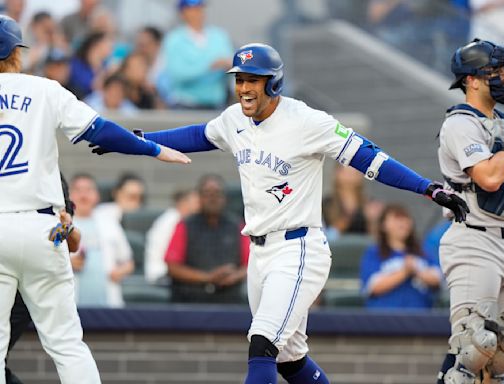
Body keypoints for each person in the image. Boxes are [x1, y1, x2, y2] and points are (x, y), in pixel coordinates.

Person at [91, 42, 468, 384]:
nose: (243, 88)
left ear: (274, 83)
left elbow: (370, 157)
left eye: (253, 80)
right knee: (289, 359)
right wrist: (133, 141)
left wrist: (428, 187)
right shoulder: (234, 119)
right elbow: (195, 136)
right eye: (240, 79)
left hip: (298, 247)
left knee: (262, 345)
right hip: (259, 252)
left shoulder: (308, 121)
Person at [0, 15, 189, 384]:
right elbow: (99, 130)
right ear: (15, 52)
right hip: (44, 227)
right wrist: (152, 148)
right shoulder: (43, 89)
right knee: (66, 343)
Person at [434, 39, 504, 384]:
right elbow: (489, 177)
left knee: (501, 355)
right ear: (472, 80)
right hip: (476, 242)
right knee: (472, 347)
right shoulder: (460, 123)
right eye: (493, 71)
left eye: (503, 70)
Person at [5, 174, 80, 384]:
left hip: (24, 285)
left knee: (66, 345)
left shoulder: (49, 175)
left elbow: (71, 240)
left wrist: (65, 229)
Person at [165, 174, 249, 303]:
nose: (212, 198)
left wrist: (234, 276)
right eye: (207, 193)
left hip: (230, 297)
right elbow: (172, 267)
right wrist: (207, 277)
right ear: (199, 197)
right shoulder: (184, 225)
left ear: (225, 198)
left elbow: (250, 264)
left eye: (217, 193)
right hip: (189, 298)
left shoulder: (238, 226)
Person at [69, 174, 134, 308]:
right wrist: (67, 264)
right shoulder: (61, 224)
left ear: (97, 195)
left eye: (88, 190)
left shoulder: (110, 223)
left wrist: (119, 272)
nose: (83, 195)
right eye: (78, 190)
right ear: (69, 195)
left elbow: (128, 263)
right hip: (71, 305)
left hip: (109, 305)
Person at [360, 204, 442, 310]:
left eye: (405, 219)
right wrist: (404, 272)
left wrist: (416, 271)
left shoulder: (423, 252)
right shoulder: (374, 252)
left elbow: (437, 279)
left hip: (421, 316)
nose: (402, 224)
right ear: (383, 225)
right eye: (396, 219)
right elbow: (372, 287)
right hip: (383, 317)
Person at [159, 0, 233, 108]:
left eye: (200, 8)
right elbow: (177, 74)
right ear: (182, 13)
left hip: (216, 105)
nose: (198, 12)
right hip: (185, 105)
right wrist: (210, 66)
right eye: (193, 9)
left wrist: (227, 66)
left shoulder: (219, 36)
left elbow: (231, 66)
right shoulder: (174, 39)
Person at [144, 188, 199, 283]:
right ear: (183, 203)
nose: (199, 207)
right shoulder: (171, 221)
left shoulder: (181, 220)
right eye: (196, 202)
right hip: (161, 274)